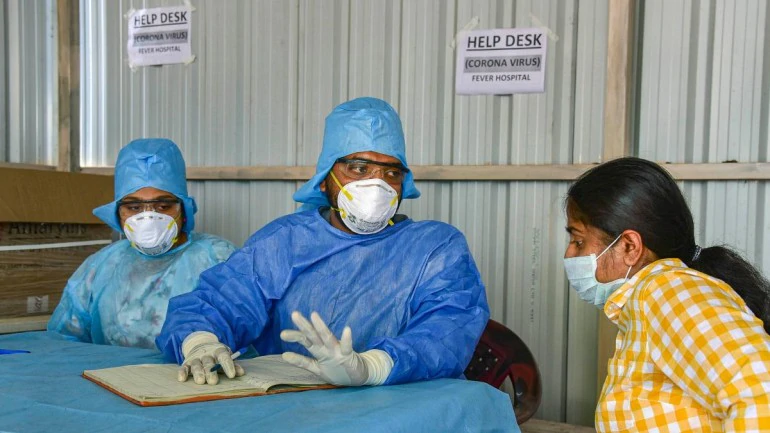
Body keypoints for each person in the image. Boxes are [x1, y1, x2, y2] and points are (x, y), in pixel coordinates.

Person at [156, 97, 490, 387]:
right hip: (294, 408)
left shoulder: (436, 248)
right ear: (324, 180)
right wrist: (200, 342)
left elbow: (449, 329)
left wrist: (373, 367)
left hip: (405, 407)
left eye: (391, 173)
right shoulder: (284, 242)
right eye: (358, 168)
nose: (377, 185)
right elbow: (220, 302)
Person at [563, 157, 770, 432]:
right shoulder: (649, 301)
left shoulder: (668, 292)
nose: (569, 253)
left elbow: (761, 390)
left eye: (578, 241)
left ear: (629, 247)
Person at [48, 138, 237, 349]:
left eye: (163, 206)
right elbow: (64, 341)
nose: (148, 219)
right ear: (118, 214)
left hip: (194, 379)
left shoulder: (217, 258)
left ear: (183, 211)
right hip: (108, 378)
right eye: (134, 207)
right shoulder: (101, 266)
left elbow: (245, 328)